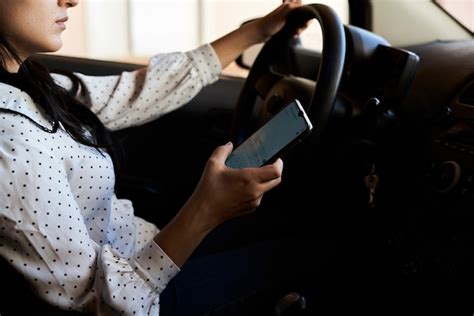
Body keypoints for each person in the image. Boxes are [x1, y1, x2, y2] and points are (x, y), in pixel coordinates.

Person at [0, 0, 333, 315]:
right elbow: (98, 304)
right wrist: (205, 209)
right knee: (315, 253)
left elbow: (134, 93)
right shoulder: (10, 147)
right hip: (144, 297)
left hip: (143, 246)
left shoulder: (30, 85)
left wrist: (255, 32)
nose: (72, 1)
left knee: (295, 223)